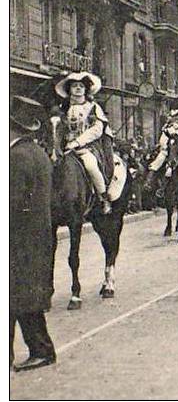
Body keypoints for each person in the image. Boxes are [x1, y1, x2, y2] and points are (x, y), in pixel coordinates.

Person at [10, 96, 57, 371]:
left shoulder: (16, 158)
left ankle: (41, 351)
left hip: (19, 238)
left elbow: (13, 202)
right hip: (36, 236)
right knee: (24, 298)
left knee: (18, 296)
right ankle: (41, 350)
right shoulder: (37, 153)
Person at [55, 71, 116, 214]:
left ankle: (103, 198)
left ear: (85, 89)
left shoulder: (93, 107)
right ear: (69, 89)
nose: (77, 88)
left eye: (81, 86)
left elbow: (97, 129)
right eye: (74, 86)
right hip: (65, 148)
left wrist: (77, 142)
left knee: (91, 166)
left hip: (87, 148)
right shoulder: (63, 109)